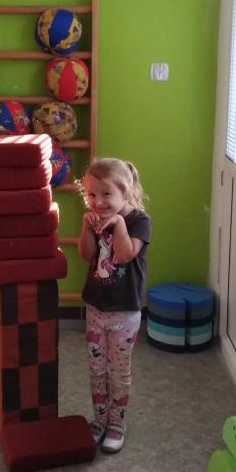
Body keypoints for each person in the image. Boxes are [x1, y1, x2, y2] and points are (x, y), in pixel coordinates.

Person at [77, 157, 152, 454]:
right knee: (97, 369)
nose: (98, 202)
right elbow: (87, 255)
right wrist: (86, 228)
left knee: (118, 371)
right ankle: (99, 421)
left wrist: (118, 224)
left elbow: (124, 255)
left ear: (126, 192)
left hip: (125, 311)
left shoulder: (139, 221)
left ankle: (117, 424)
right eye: (91, 194)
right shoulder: (94, 217)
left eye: (107, 194)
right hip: (96, 307)